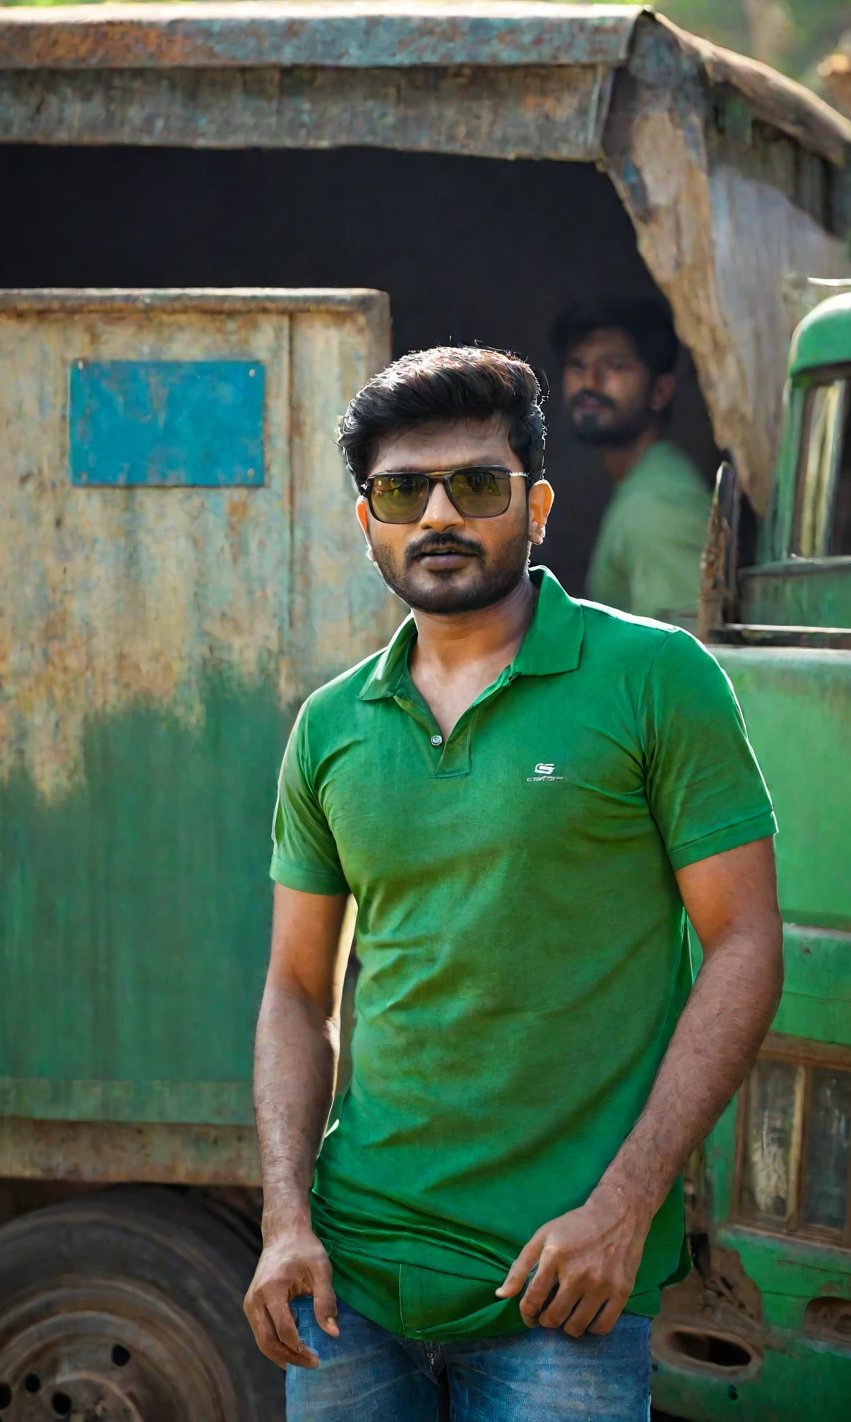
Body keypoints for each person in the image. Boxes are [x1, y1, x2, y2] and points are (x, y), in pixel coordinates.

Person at [243, 345, 782, 1421]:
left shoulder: (655, 679)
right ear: (369, 522)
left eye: (477, 485)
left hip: (564, 1287)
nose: (438, 513)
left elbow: (746, 944)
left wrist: (628, 1209)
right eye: (403, 490)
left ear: (535, 505)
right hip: (352, 1287)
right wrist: (285, 1218)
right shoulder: (331, 727)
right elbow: (298, 992)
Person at [556, 299, 714, 622]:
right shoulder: (643, 482)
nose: (590, 382)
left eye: (615, 366)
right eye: (578, 365)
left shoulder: (662, 504)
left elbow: (682, 655)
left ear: (660, 391)